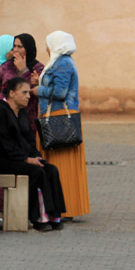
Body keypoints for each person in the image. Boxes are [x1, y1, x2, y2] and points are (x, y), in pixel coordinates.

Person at [0, 77, 66, 231]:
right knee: (36, 172)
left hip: (21, 158)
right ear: (11, 93)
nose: (28, 96)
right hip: (2, 160)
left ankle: (53, 215)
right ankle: (37, 217)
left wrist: (35, 155)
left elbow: (29, 139)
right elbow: (4, 143)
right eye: (24, 92)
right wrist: (26, 159)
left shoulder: (22, 112)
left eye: (28, 92)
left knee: (50, 169)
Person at [34, 31, 90, 219]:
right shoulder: (60, 62)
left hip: (60, 117)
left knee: (62, 165)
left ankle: (67, 208)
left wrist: (37, 90)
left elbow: (60, 92)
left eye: (48, 44)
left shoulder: (63, 63)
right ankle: (62, 206)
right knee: (58, 164)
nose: (47, 48)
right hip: (57, 116)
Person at [0, 34, 44, 134]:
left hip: (27, 117)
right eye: (14, 46)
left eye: (20, 47)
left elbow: (33, 91)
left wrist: (24, 71)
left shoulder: (38, 68)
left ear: (28, 48)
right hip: (3, 115)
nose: (15, 50)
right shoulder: (6, 66)